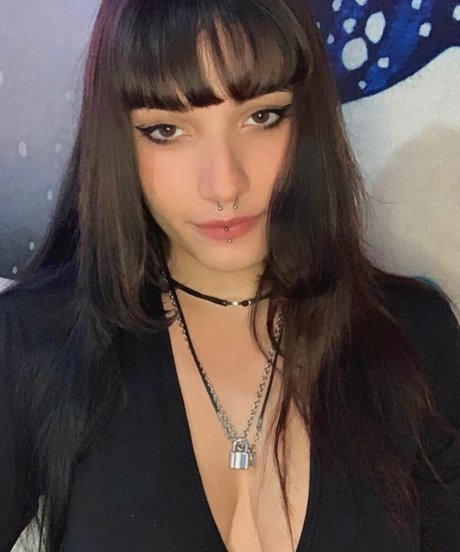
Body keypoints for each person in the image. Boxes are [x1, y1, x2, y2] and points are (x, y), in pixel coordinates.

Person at [0, 0, 459, 551]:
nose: (224, 184)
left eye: (261, 117)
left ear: (307, 120)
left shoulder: (414, 338)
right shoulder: (37, 340)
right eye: (167, 129)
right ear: (118, 141)